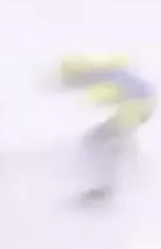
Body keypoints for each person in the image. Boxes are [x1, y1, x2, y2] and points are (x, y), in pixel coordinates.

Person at [55, 55, 155, 200]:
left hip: (135, 109)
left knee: (100, 143)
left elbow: (129, 109)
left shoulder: (109, 80)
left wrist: (122, 136)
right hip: (138, 106)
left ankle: (106, 188)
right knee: (98, 140)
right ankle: (127, 162)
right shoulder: (106, 71)